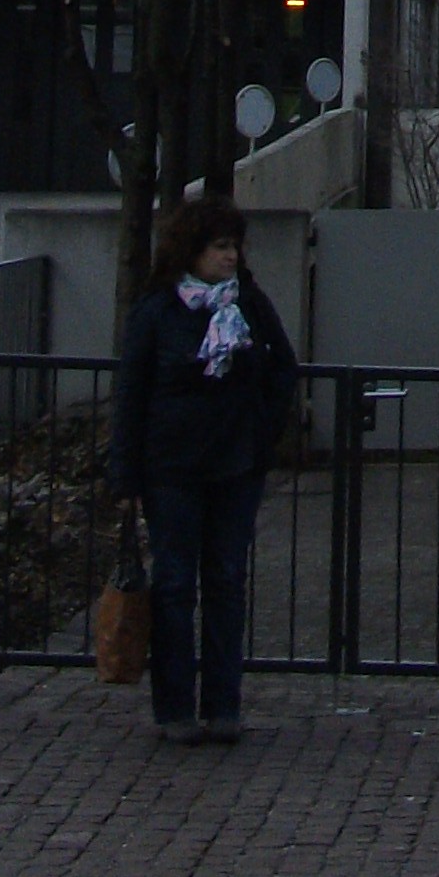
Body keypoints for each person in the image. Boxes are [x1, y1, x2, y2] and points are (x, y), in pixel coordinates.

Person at [107, 193, 298, 745]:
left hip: (234, 464)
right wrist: (125, 476)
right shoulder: (157, 311)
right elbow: (131, 395)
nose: (230, 257)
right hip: (172, 468)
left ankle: (222, 704)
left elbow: (282, 368)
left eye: (234, 246)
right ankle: (173, 707)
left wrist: (261, 433)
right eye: (220, 247)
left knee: (225, 582)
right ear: (192, 250)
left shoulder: (249, 304)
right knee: (173, 586)